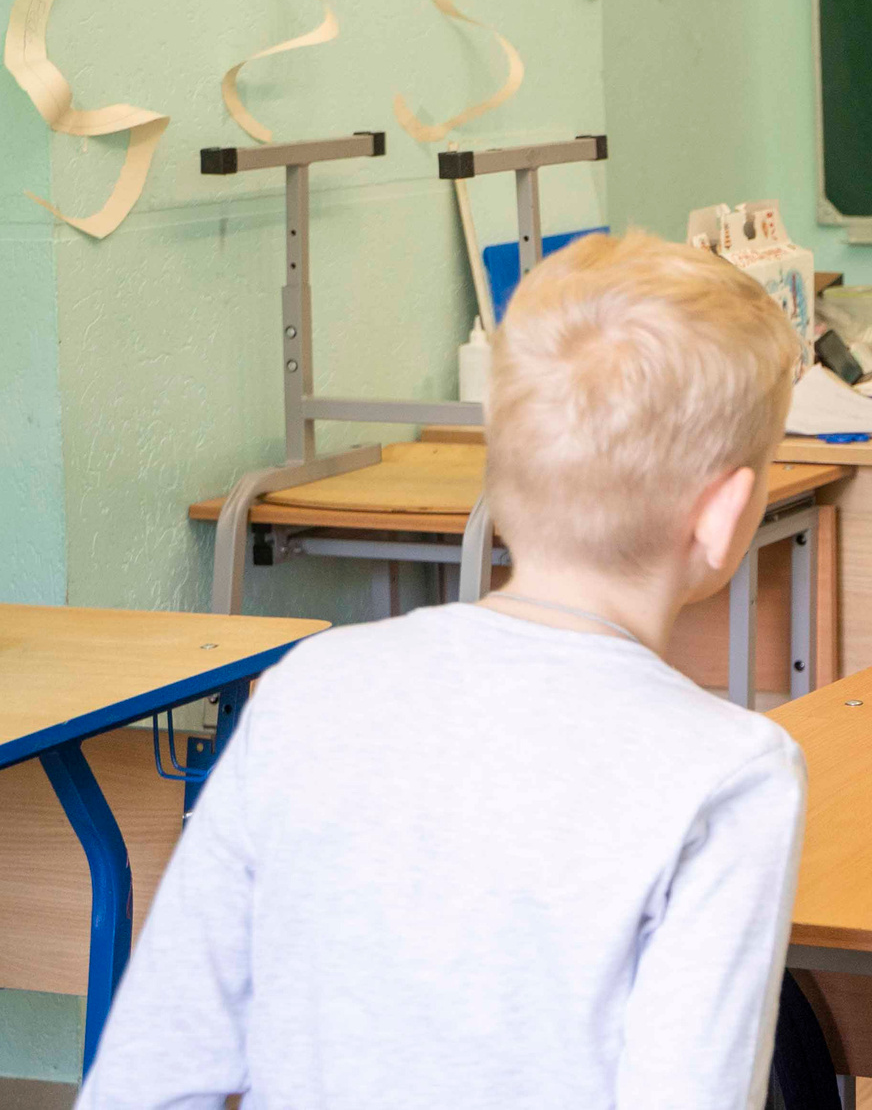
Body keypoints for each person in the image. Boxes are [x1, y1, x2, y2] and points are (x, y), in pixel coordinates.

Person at [78, 233, 810, 1110]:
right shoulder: (730, 774)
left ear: (500, 475)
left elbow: (151, 1075)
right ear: (725, 516)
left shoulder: (308, 687)